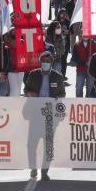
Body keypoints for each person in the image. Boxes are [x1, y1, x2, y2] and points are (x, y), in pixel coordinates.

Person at [23, 51, 66, 181]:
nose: (46, 63)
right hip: (36, 114)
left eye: (48, 61)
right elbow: (25, 90)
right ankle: (33, 167)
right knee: (31, 144)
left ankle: (45, 170)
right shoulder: (33, 74)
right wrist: (30, 94)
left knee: (48, 146)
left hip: (50, 116)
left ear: (51, 62)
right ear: (40, 62)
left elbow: (62, 93)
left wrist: (59, 97)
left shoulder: (58, 76)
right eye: (44, 61)